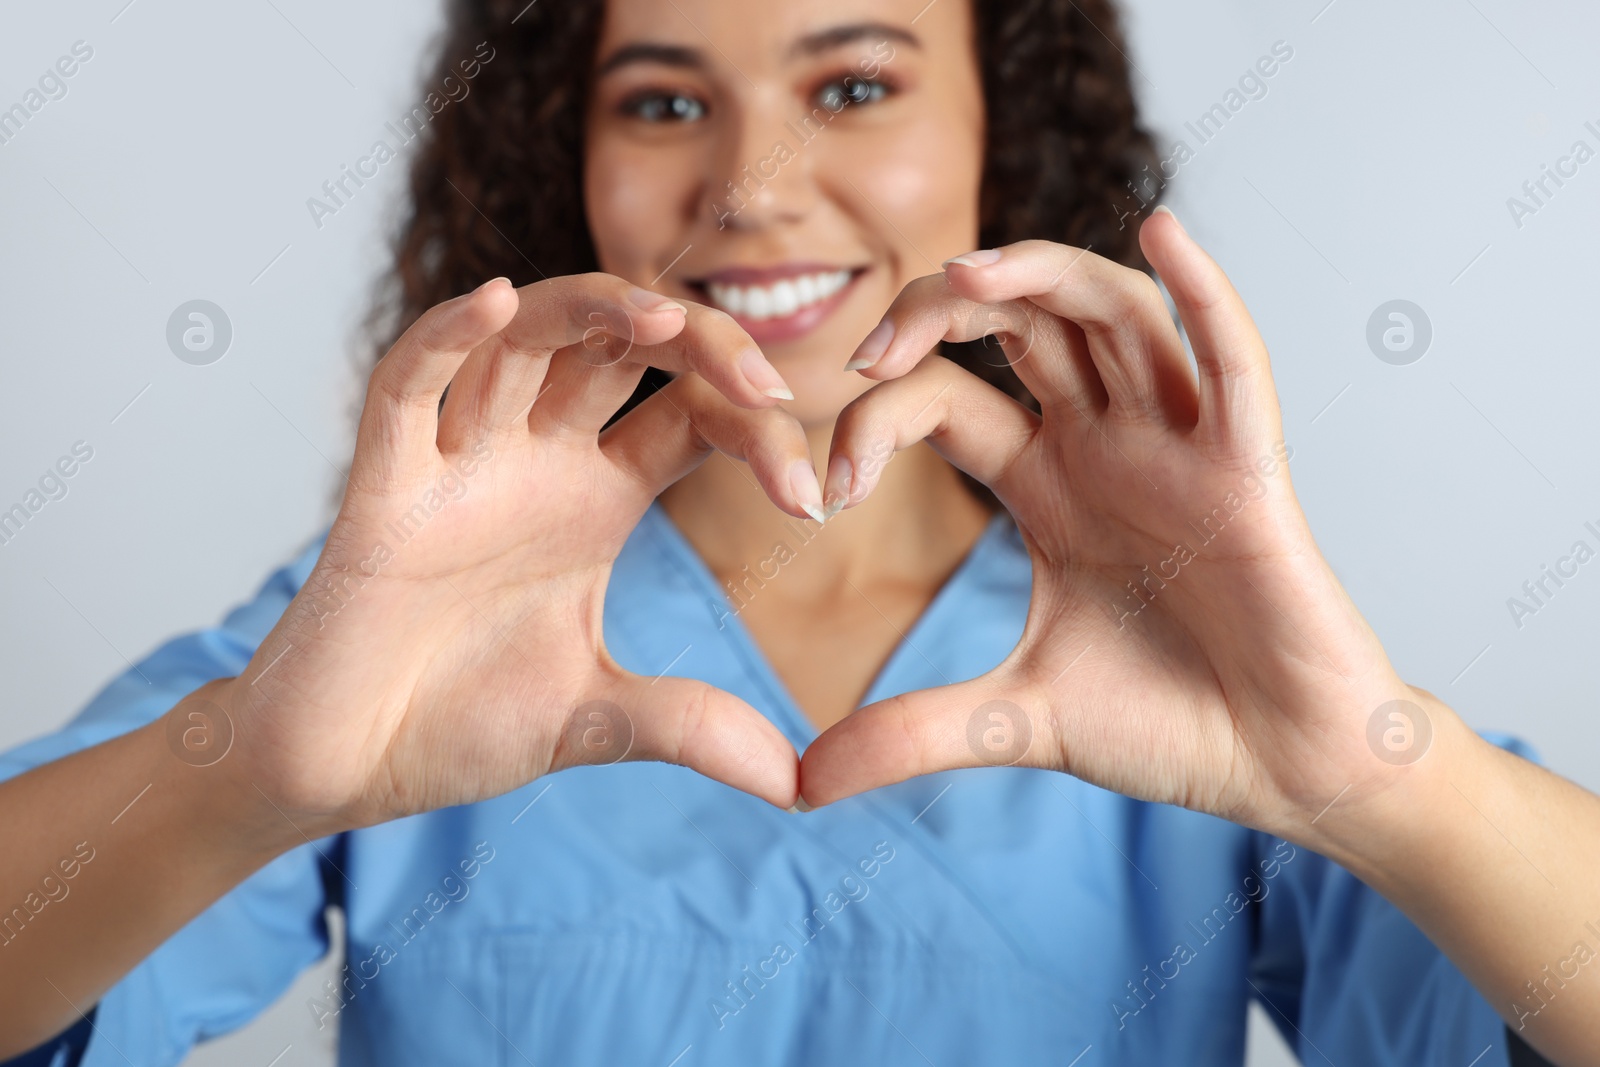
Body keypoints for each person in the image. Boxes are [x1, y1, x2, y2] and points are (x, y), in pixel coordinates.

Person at [2, 0, 1597, 1064]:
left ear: (1004, 128)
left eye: (853, 85)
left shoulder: (1186, 645)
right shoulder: (400, 634)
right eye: (663, 100)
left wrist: (1382, 779)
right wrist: (243, 775)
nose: (752, 185)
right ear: (571, 160)